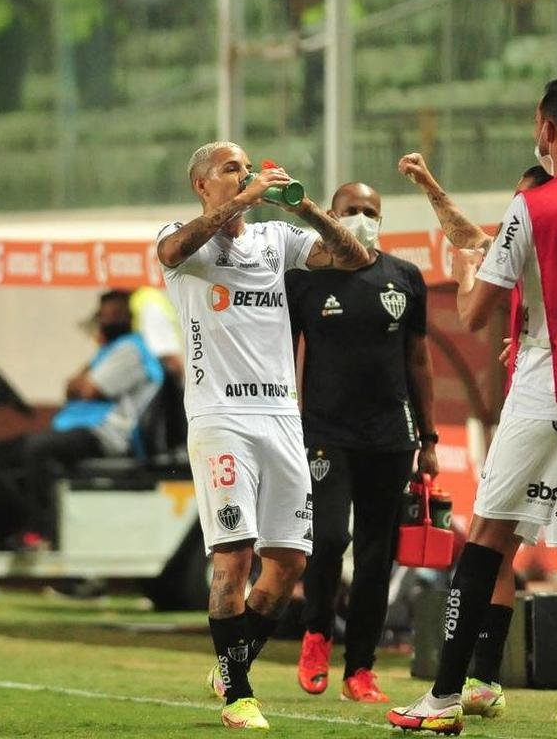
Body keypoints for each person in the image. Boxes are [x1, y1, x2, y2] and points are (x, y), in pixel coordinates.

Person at [388, 78, 557, 734]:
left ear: (546, 128)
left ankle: (444, 696)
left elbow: (475, 309)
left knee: (488, 537)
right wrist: (434, 191)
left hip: (548, 380)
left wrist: (464, 273)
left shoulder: (533, 206)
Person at [157, 141, 369, 729]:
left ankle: (231, 660)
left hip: (280, 417)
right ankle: (240, 696)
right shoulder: (181, 239)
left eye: (247, 167)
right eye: (230, 169)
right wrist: (243, 200)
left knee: (289, 563)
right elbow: (176, 249)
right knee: (234, 556)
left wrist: (305, 207)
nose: (244, 175)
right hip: (219, 418)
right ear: (203, 184)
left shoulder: (275, 240)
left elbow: (354, 258)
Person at [287, 181, 437, 703]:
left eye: (371, 211)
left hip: (391, 437)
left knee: (378, 557)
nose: (361, 217)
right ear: (330, 215)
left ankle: (361, 670)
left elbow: (419, 362)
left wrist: (430, 437)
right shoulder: (304, 282)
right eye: (351, 210)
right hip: (326, 433)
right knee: (329, 539)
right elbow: (284, 358)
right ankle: (316, 636)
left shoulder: (404, 278)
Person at [16, 289, 164, 550]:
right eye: (105, 316)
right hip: (90, 429)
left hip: (109, 435)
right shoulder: (108, 351)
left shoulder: (129, 349)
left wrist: (82, 382)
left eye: (116, 315)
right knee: (16, 448)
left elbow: (87, 389)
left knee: (38, 448)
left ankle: (41, 532)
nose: (109, 321)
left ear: (129, 317)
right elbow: (71, 387)